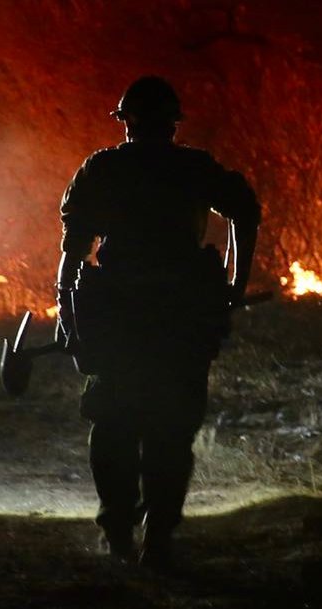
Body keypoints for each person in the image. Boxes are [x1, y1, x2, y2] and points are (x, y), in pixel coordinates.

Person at [56, 76, 260, 570]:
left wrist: (67, 309)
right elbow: (246, 210)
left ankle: (120, 529)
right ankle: (159, 534)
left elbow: (75, 247)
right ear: (173, 124)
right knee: (171, 425)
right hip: (181, 316)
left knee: (115, 422)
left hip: (121, 316)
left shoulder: (103, 168)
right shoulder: (193, 167)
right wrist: (235, 281)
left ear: (126, 122)